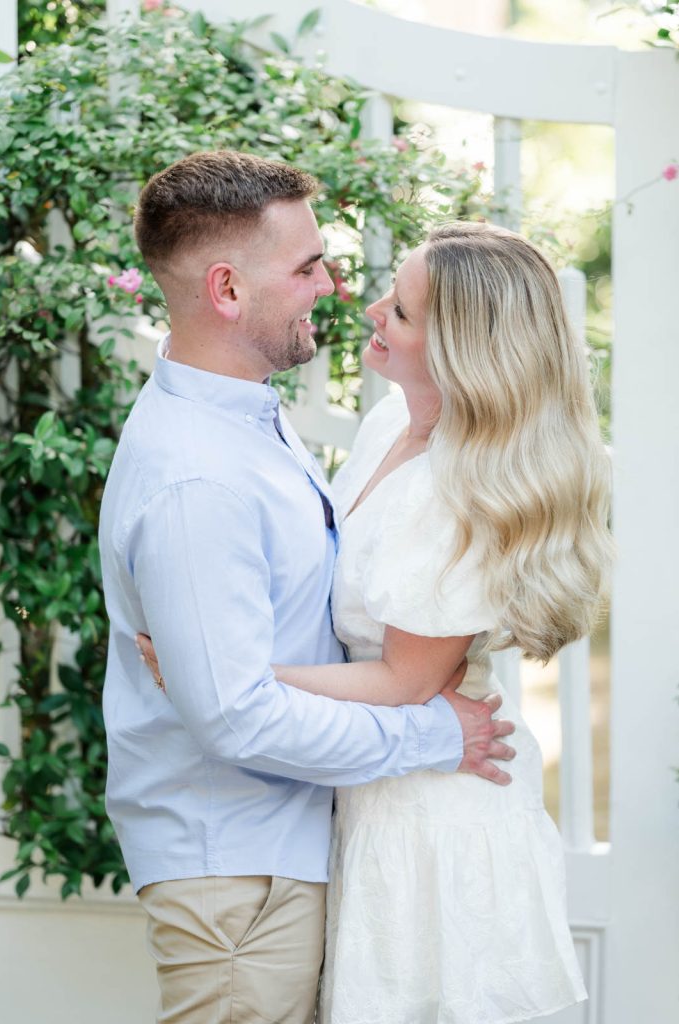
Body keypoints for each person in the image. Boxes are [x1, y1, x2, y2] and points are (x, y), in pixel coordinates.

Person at [138, 218, 613, 1022]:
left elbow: (407, 678)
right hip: (371, 783)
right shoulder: (389, 425)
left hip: (435, 813)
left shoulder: (460, 489)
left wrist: (230, 672)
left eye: (399, 310)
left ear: (461, 349)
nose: (369, 310)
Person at [99, 150, 515, 1024]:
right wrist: (435, 738)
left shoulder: (246, 420)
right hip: (237, 879)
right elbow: (236, 715)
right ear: (226, 290)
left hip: (280, 857)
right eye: (306, 266)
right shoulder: (197, 479)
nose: (331, 286)